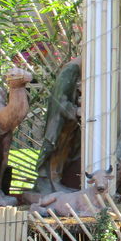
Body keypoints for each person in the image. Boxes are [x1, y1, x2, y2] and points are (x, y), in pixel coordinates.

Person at [33, 57, 81, 193]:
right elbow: (59, 101)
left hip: (69, 125)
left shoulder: (76, 71)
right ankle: (48, 181)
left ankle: (55, 180)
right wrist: (75, 110)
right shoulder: (70, 71)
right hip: (60, 125)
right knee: (56, 150)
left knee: (64, 152)